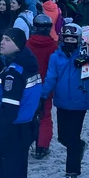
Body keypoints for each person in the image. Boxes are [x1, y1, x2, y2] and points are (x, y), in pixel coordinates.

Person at [0, 28, 42, 178]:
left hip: (11, 131)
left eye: (8, 40)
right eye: (2, 38)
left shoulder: (13, 72)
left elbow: (9, 110)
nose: (2, 42)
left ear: (18, 44)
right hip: (25, 127)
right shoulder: (28, 64)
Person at [41, 24, 89, 178]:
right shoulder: (56, 57)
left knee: (72, 138)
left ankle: (72, 172)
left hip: (79, 102)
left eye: (73, 39)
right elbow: (51, 77)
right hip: (62, 102)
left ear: (77, 40)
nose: (70, 42)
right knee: (63, 137)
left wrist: (88, 59)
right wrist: (42, 96)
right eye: (67, 39)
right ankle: (78, 147)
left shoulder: (84, 55)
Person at [27, 14, 59, 160]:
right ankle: (42, 146)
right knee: (45, 116)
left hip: (28, 85)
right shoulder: (53, 46)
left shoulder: (27, 44)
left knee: (27, 114)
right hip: (46, 86)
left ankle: (26, 142)